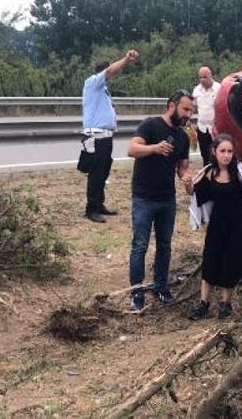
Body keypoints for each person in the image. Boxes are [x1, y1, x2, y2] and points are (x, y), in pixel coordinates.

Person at [188, 134, 242, 320]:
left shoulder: (241, 173)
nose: (226, 155)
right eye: (222, 151)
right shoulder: (209, 173)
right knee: (210, 260)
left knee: (230, 263)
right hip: (217, 224)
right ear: (214, 152)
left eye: (229, 151)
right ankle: (203, 303)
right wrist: (188, 186)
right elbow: (199, 196)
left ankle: (226, 303)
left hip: (238, 224)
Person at [127, 89, 195, 311]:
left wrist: (186, 177)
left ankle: (161, 286)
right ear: (172, 105)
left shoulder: (183, 137)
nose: (188, 116)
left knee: (165, 245)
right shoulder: (151, 125)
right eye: (185, 109)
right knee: (140, 245)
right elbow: (132, 149)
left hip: (167, 199)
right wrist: (154, 148)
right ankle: (137, 291)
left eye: (191, 112)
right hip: (143, 198)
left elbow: (182, 167)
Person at [82, 49, 139, 223]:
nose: (111, 76)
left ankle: (99, 204)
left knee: (103, 172)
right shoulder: (93, 82)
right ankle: (91, 209)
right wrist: (126, 60)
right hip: (96, 137)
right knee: (96, 173)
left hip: (105, 137)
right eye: (109, 72)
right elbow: (110, 71)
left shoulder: (103, 89)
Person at [192, 66, 221, 165]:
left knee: (217, 153)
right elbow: (193, 107)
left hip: (216, 128)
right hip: (202, 127)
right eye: (200, 77)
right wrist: (187, 120)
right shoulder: (196, 90)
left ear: (211, 76)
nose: (202, 80)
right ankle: (207, 175)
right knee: (205, 154)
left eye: (205, 77)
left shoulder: (219, 88)